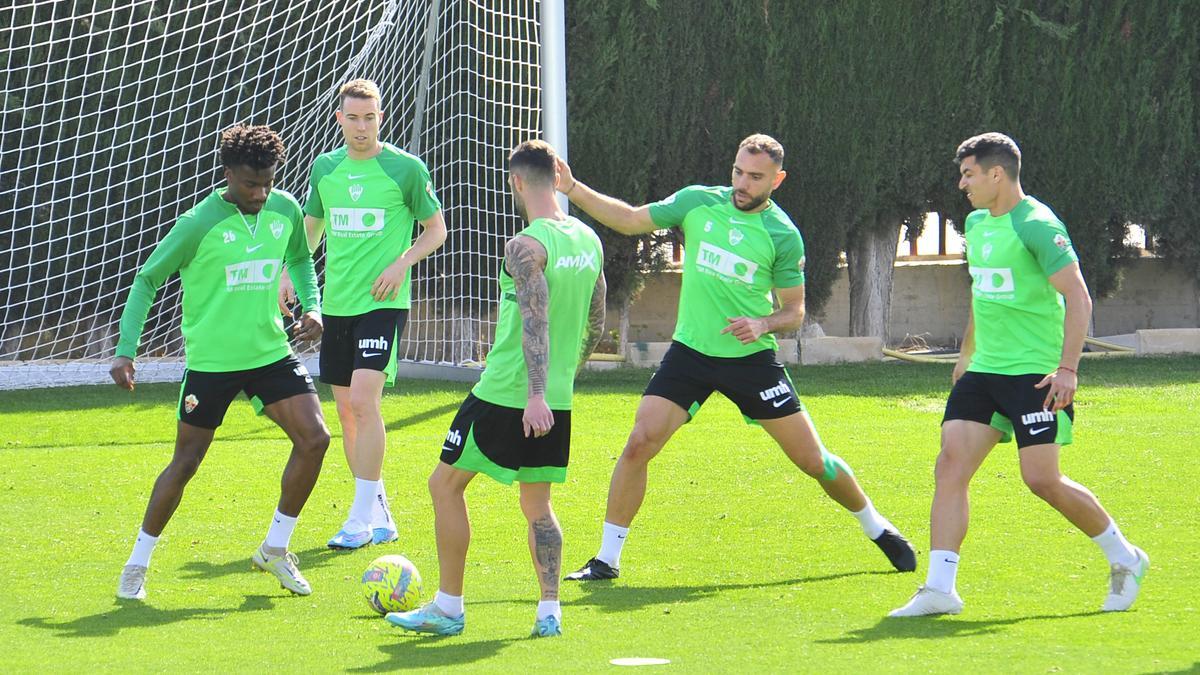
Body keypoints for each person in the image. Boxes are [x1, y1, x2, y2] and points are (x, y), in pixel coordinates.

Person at [556, 133, 917, 583]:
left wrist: (763, 324)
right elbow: (630, 220)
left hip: (750, 361)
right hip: (690, 354)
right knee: (639, 443)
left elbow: (795, 310)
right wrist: (572, 188)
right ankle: (606, 560)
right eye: (738, 173)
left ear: (777, 180)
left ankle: (877, 526)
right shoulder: (697, 201)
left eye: (755, 177)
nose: (742, 184)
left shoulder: (782, 235)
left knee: (812, 461)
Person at [889, 132, 1148, 617]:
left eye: (968, 174)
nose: (962, 184)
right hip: (985, 371)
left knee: (1042, 480)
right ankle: (940, 588)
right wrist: (966, 355)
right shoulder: (977, 222)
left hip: (1035, 375)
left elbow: (1080, 298)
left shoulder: (1037, 225)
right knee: (950, 466)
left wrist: (1068, 368)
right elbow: (982, 294)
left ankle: (1124, 556)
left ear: (996, 174)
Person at [386, 140, 606, 638]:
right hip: (557, 397)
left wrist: (533, 394)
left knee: (444, 486)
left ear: (517, 182)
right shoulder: (588, 239)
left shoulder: (525, 245)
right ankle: (549, 613)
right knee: (538, 506)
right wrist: (562, 379)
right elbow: (596, 316)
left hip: (509, 393)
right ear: (558, 176)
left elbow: (536, 319)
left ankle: (448, 608)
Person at [112, 124, 331, 600]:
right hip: (212, 363)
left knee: (315, 439)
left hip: (270, 353)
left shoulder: (285, 209)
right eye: (251, 183)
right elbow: (148, 279)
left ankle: (275, 548)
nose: (261, 192)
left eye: (268, 181)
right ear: (228, 173)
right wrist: (126, 349)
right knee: (186, 463)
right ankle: (137, 563)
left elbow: (300, 260)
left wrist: (313, 306)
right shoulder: (197, 223)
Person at [286, 78, 448, 549]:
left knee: (362, 401)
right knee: (347, 411)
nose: (362, 127)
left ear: (381, 118)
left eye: (370, 117)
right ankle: (378, 512)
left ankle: (358, 520)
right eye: (353, 117)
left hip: (384, 304)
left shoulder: (405, 169)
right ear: (340, 119)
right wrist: (285, 276)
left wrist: (402, 264)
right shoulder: (325, 169)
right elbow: (309, 233)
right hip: (338, 306)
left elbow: (436, 230)